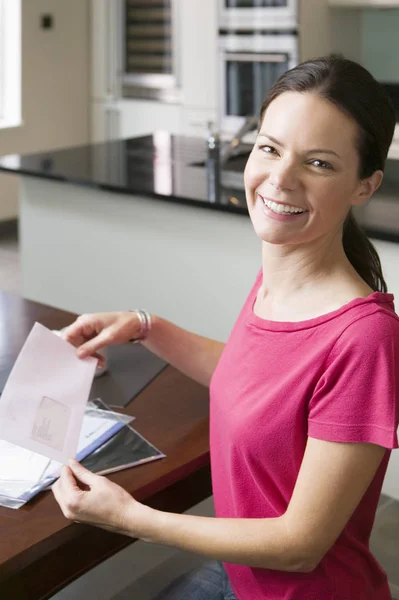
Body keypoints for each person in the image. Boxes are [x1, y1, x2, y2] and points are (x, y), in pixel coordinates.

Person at [52, 54, 399, 599]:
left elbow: (300, 544)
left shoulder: (364, 338)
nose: (280, 178)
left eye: (320, 163)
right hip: (240, 576)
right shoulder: (277, 280)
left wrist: (130, 518)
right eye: (270, 147)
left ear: (364, 185)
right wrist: (146, 327)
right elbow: (259, 383)